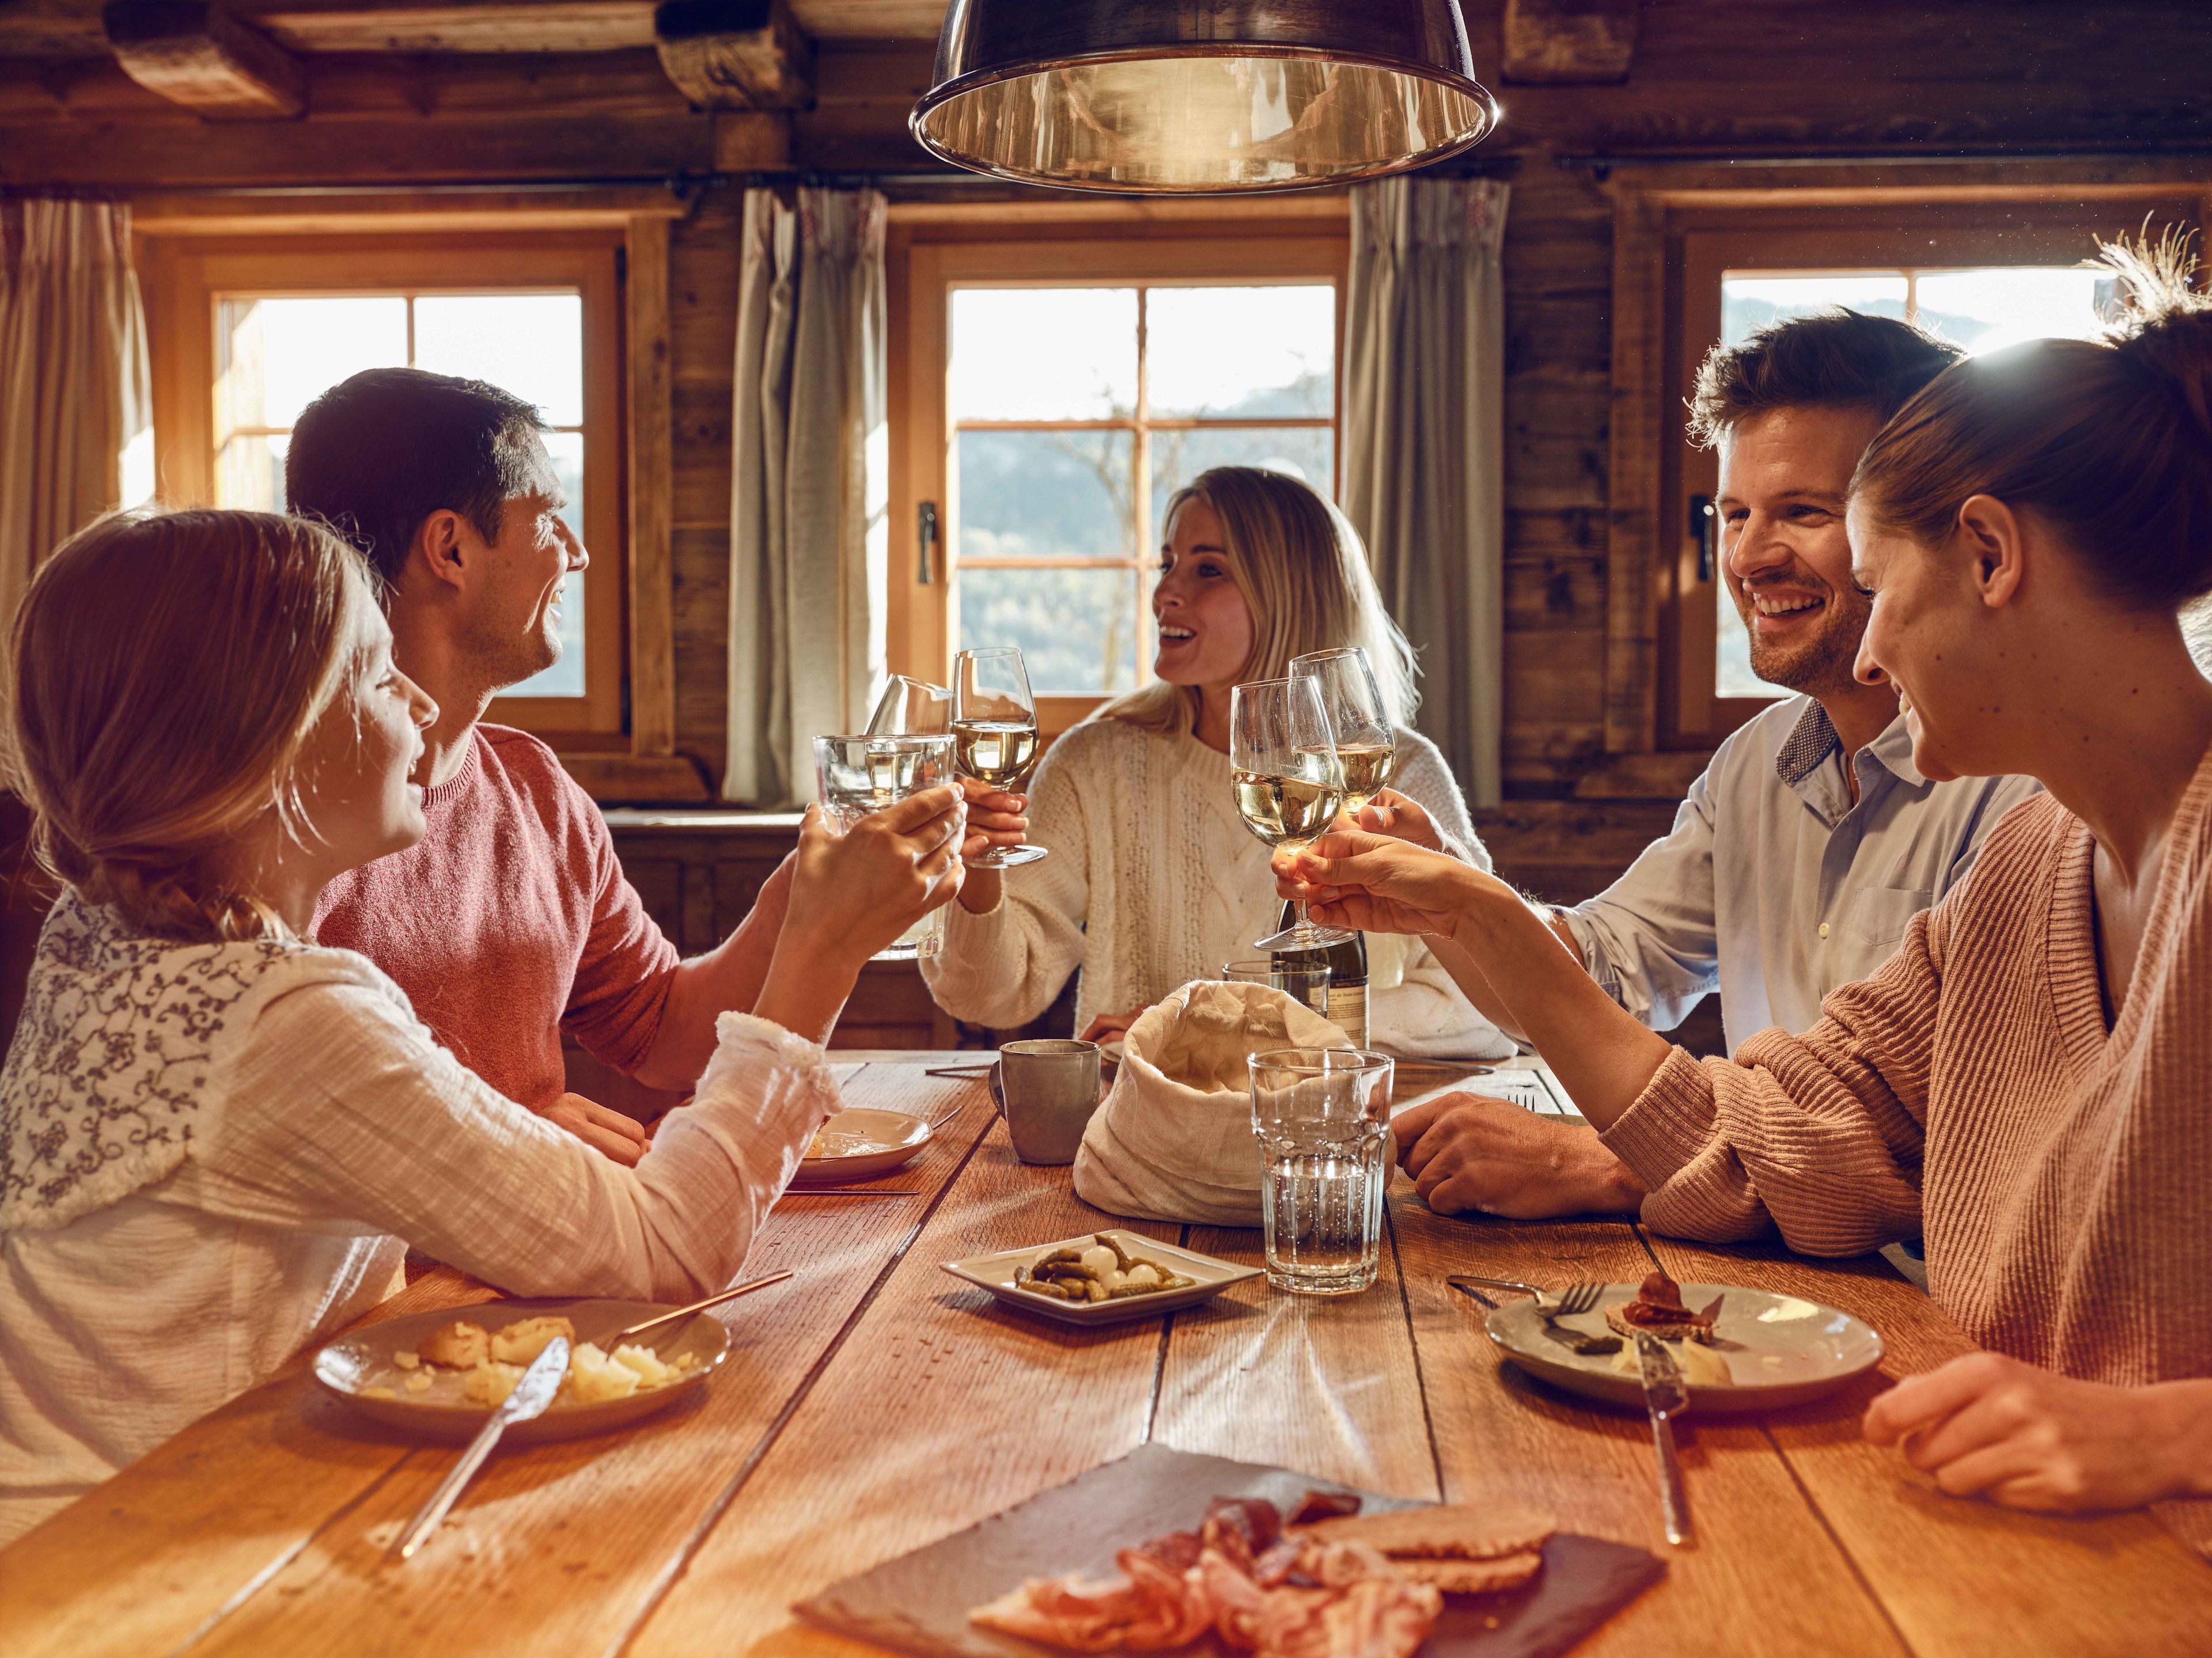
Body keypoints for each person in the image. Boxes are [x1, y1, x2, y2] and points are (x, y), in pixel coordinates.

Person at [1275, 241, 2212, 1530]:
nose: (1873, 642)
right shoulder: (2028, 875)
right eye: (1734, 515)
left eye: (1879, 584)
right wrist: (1471, 909)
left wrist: (2173, 1426)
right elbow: (1783, 1136)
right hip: (2019, 1516)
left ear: (1991, 553)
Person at [0, 509, 963, 1543]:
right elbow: (669, 1249)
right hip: (143, 1572)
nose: (417, 697)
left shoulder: (95, 931)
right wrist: (825, 956)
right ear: (263, 739)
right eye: (374, 671)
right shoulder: (287, 1015)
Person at [1388, 312, 2037, 1220]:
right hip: (1770, 1294)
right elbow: (1614, 971)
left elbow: (1953, 1151)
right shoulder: (1756, 764)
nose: (1746, 556)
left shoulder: (2032, 789)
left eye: (1804, 512)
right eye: (1735, 514)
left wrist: (1620, 1165)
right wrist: (1447, 900)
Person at [283, 370, 1000, 1165]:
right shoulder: (281, 819)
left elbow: (664, 1035)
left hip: (557, 1252)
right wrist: (506, 1147)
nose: (580, 553)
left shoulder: (535, 789)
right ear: (451, 547)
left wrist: (804, 892)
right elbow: (272, 1135)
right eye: (550, 518)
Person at [921, 466, 1513, 1058]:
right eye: (1167, 563)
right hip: (1135, 1133)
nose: (1164, 593)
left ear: (1290, 592)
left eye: (1209, 569)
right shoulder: (1095, 763)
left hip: (1332, 1134)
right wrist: (979, 872)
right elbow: (992, 998)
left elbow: (1488, 1015)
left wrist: (1229, 1027)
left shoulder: (1398, 774)